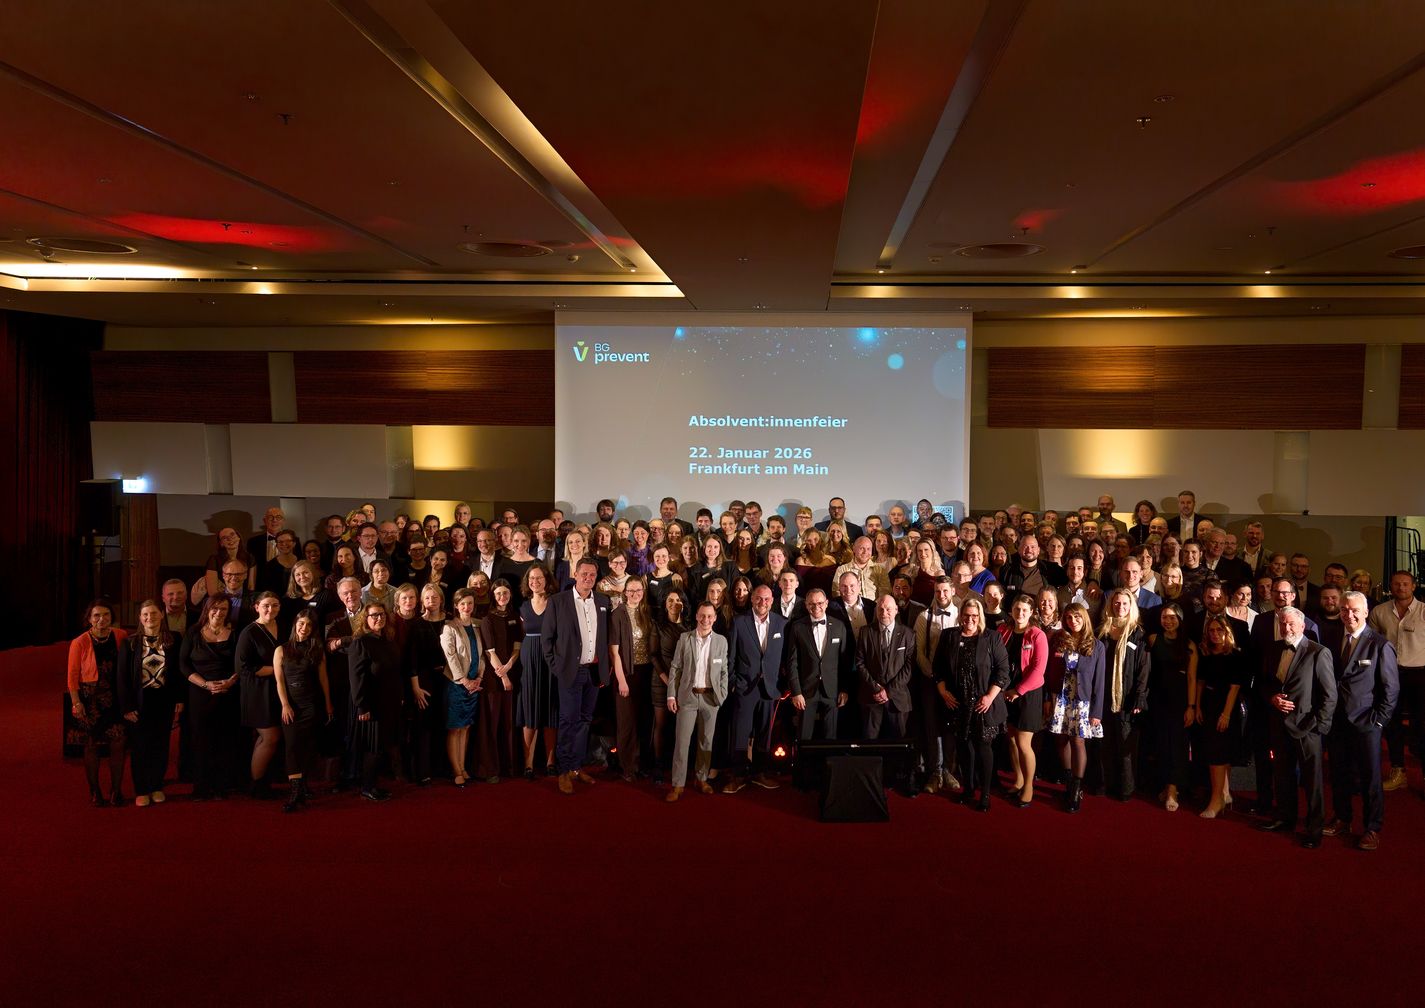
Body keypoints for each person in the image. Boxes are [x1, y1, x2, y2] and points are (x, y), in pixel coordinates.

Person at [1256, 607, 1336, 848]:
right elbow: (1264, 683)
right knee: (1282, 775)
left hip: (1307, 727)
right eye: (1283, 624)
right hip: (1279, 725)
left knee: (1312, 782)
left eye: (1291, 624)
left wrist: (1318, 727)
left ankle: (1314, 829)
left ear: (1303, 626)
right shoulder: (1273, 648)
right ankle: (1285, 818)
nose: (1286, 628)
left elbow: (1329, 695)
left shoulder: (1318, 652)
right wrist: (1272, 697)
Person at [1324, 592, 1399, 850]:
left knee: (1370, 779)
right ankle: (1343, 818)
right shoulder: (1333, 640)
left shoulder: (1380, 644)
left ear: (1366, 612)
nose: (1349, 614)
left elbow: (1391, 690)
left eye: (1354, 610)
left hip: (1367, 723)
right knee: (1339, 774)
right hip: (1337, 722)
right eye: (1344, 610)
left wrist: (1379, 722)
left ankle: (1371, 828)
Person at [934, 597, 1010, 812]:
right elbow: (937, 667)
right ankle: (968, 790)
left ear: (980, 617)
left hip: (983, 703)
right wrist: (942, 691)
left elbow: (1003, 671)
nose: (970, 620)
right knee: (964, 747)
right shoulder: (949, 636)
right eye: (966, 616)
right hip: (957, 703)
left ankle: (985, 794)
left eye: (974, 616)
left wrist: (990, 696)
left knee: (983, 747)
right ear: (961, 616)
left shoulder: (992, 637)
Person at [542, 557, 610, 795]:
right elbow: (547, 640)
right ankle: (564, 770)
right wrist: (557, 667)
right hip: (569, 672)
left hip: (593, 672)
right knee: (568, 721)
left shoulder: (603, 601)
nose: (588, 579)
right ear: (575, 574)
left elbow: (605, 636)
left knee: (584, 720)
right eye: (584, 574)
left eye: (592, 575)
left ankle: (576, 767)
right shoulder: (558, 602)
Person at [117, 599, 183, 807]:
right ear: (140, 618)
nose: (149, 618)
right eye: (145, 614)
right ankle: (142, 789)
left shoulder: (174, 639)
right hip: (139, 701)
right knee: (140, 747)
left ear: (161, 615)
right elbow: (122, 678)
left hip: (164, 700)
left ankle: (156, 786)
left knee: (161, 746)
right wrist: (127, 707)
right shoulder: (130, 642)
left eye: (154, 613)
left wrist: (180, 700)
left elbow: (180, 674)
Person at [664, 601, 729, 802]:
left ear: (715, 618)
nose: (706, 620)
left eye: (710, 616)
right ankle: (678, 784)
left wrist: (722, 694)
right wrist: (671, 695)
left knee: (706, 741)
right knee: (682, 743)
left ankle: (701, 779)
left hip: (711, 699)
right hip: (688, 697)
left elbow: (725, 671)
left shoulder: (721, 641)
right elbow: (675, 668)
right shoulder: (685, 638)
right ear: (696, 617)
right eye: (702, 615)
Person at [68, 599, 130, 806]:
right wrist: (76, 703)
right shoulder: (79, 642)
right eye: (96, 615)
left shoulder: (121, 636)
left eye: (106, 615)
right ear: (89, 619)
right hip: (90, 698)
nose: (102, 619)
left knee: (119, 742)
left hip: (115, 697)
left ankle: (116, 790)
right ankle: (95, 792)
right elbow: (72, 676)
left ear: (112, 617)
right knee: (92, 745)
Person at [1367, 570, 1424, 792]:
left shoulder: (1424, 611)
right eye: (1397, 584)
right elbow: (1371, 643)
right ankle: (1398, 771)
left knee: (1422, 726)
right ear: (1391, 586)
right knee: (1391, 724)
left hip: (1420, 674)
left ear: (1413, 586)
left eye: (1405, 584)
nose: (1401, 587)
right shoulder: (1380, 611)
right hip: (1389, 674)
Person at [1044, 603, 1104, 813]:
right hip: (1060, 698)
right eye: (1069, 618)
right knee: (1061, 739)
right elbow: (1049, 672)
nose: (1073, 621)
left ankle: (1077, 789)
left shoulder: (1096, 645)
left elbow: (1099, 681)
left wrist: (1097, 712)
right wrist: (1047, 699)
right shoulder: (1058, 640)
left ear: (1085, 618)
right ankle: (1068, 781)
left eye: (1077, 617)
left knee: (1077, 741)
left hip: (1082, 701)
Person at [856, 593, 917, 795]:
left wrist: (888, 691)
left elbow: (909, 667)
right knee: (870, 741)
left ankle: (900, 780)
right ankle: (870, 782)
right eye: (881, 609)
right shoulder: (865, 632)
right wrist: (876, 688)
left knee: (899, 742)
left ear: (896, 610)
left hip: (898, 699)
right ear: (876, 610)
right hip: (871, 698)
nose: (884, 612)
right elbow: (860, 662)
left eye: (889, 608)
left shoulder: (908, 634)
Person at [272, 609, 332, 812]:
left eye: (308, 625)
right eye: (301, 624)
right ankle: (295, 792)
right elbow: (279, 681)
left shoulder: (317, 649)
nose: (304, 628)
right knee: (291, 747)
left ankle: (302, 787)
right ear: (295, 624)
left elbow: (323, 679)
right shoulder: (282, 650)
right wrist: (285, 705)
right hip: (291, 706)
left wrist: (328, 703)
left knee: (308, 747)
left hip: (312, 705)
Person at [183, 596, 239, 801]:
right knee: (200, 740)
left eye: (223, 609)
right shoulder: (193, 633)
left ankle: (221, 785)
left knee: (223, 739)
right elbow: (183, 665)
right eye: (215, 608)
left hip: (227, 692)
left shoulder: (234, 634)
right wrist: (205, 684)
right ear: (207, 609)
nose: (219, 612)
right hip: (199, 692)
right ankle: (201, 786)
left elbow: (240, 664)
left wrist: (228, 683)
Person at [1096, 588, 1150, 801]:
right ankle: (1105, 784)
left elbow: (1143, 669)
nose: (1120, 607)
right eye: (1117, 603)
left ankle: (1126, 789)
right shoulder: (1102, 631)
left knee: (1126, 746)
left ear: (1131, 607)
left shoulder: (1138, 633)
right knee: (1105, 744)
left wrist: (1139, 697)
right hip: (1103, 697)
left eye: (1125, 604)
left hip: (1126, 699)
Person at [347, 604, 402, 802]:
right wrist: (362, 705)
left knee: (383, 745)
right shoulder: (361, 642)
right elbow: (356, 678)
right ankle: (367, 787)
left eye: (381, 614)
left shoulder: (388, 640)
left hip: (389, 703)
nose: (378, 618)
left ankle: (373, 785)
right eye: (373, 615)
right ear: (366, 619)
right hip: (371, 705)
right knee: (373, 747)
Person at [998, 594, 1048, 807]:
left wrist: (1018, 691)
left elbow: (1039, 670)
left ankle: (1028, 786)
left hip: (1028, 694)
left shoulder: (1037, 635)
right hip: (1006, 692)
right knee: (1010, 739)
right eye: (1017, 609)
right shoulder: (1003, 631)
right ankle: (1018, 779)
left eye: (1025, 610)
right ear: (1011, 610)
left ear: (1031, 613)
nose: (1020, 614)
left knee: (1023, 742)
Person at [913, 576, 961, 794]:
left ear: (952, 592)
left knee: (950, 727)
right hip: (930, 681)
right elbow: (919, 652)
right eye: (938, 591)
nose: (941, 595)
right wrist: (934, 677)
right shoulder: (924, 616)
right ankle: (935, 772)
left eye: (945, 591)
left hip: (955, 684)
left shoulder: (962, 615)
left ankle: (949, 771)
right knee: (932, 727)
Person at [1195, 615, 1245, 818]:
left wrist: (1225, 714)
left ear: (1227, 633)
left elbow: (1235, 687)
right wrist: (1196, 706)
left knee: (1219, 753)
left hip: (1226, 707)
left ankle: (1216, 800)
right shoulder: (1205, 654)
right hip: (1207, 705)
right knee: (1215, 752)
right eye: (1212, 631)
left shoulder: (1235, 656)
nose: (1215, 634)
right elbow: (1200, 681)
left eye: (1219, 630)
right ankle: (1223, 795)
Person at [785, 589, 851, 743]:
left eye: (820, 603)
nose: (816, 607)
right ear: (806, 605)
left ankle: (828, 766)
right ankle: (802, 767)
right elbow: (792, 662)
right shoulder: (797, 627)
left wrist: (844, 689)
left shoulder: (839, 626)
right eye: (812, 604)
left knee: (831, 738)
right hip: (806, 692)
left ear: (826, 603)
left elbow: (845, 662)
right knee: (803, 737)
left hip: (832, 691)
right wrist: (796, 692)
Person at [1147, 604, 1196, 812]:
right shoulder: (1152, 639)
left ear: (1181, 619)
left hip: (1179, 701)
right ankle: (1165, 786)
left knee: (1177, 745)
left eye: (1172, 617)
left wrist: (1191, 706)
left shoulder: (1190, 645)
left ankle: (1174, 789)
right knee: (1161, 744)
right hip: (1157, 699)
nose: (1168, 621)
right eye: (1164, 617)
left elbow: (1193, 678)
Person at [236, 592, 283, 799]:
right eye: (265, 605)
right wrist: (278, 669)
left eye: (274, 605)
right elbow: (243, 667)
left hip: (276, 690)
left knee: (266, 739)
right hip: (257, 691)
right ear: (256, 607)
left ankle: (260, 780)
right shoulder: (249, 632)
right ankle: (256, 784)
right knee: (270, 737)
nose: (270, 609)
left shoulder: (282, 627)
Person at [609, 576, 656, 782]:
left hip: (647, 673)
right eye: (631, 591)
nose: (635, 594)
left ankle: (643, 763)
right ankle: (627, 765)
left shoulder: (648, 612)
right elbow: (614, 653)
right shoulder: (618, 614)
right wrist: (621, 680)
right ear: (624, 592)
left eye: (638, 591)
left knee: (646, 721)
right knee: (627, 722)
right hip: (627, 673)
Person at [515, 564, 558, 780]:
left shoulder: (556, 604)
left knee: (551, 710)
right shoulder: (522, 607)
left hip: (550, 660)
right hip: (529, 662)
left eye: (539, 578)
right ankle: (528, 763)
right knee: (529, 711)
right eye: (531, 578)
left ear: (547, 580)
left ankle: (551, 762)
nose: (535, 582)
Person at [477, 580, 522, 783]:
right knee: (493, 724)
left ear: (510, 594)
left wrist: (509, 667)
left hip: (512, 673)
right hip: (494, 679)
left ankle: (510, 767)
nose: (502, 596)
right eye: (498, 593)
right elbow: (489, 651)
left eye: (505, 593)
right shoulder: (487, 619)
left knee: (510, 722)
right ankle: (491, 769)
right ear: (493, 596)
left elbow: (517, 647)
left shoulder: (514, 617)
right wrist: (502, 675)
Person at [441, 588, 483, 788]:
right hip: (457, 685)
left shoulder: (477, 626)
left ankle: (463, 766)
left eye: (470, 603)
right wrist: (464, 680)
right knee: (455, 728)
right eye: (463, 604)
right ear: (456, 606)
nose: (467, 607)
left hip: (474, 684)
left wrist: (479, 677)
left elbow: (481, 655)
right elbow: (450, 657)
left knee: (466, 727)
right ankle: (456, 770)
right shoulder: (450, 627)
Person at [651, 589, 691, 785]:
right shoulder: (658, 625)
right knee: (661, 724)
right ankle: (658, 766)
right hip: (662, 681)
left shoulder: (689, 627)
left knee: (680, 727)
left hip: (684, 684)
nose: (674, 603)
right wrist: (667, 680)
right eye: (670, 600)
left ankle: (678, 765)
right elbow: (654, 655)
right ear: (665, 603)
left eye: (678, 599)